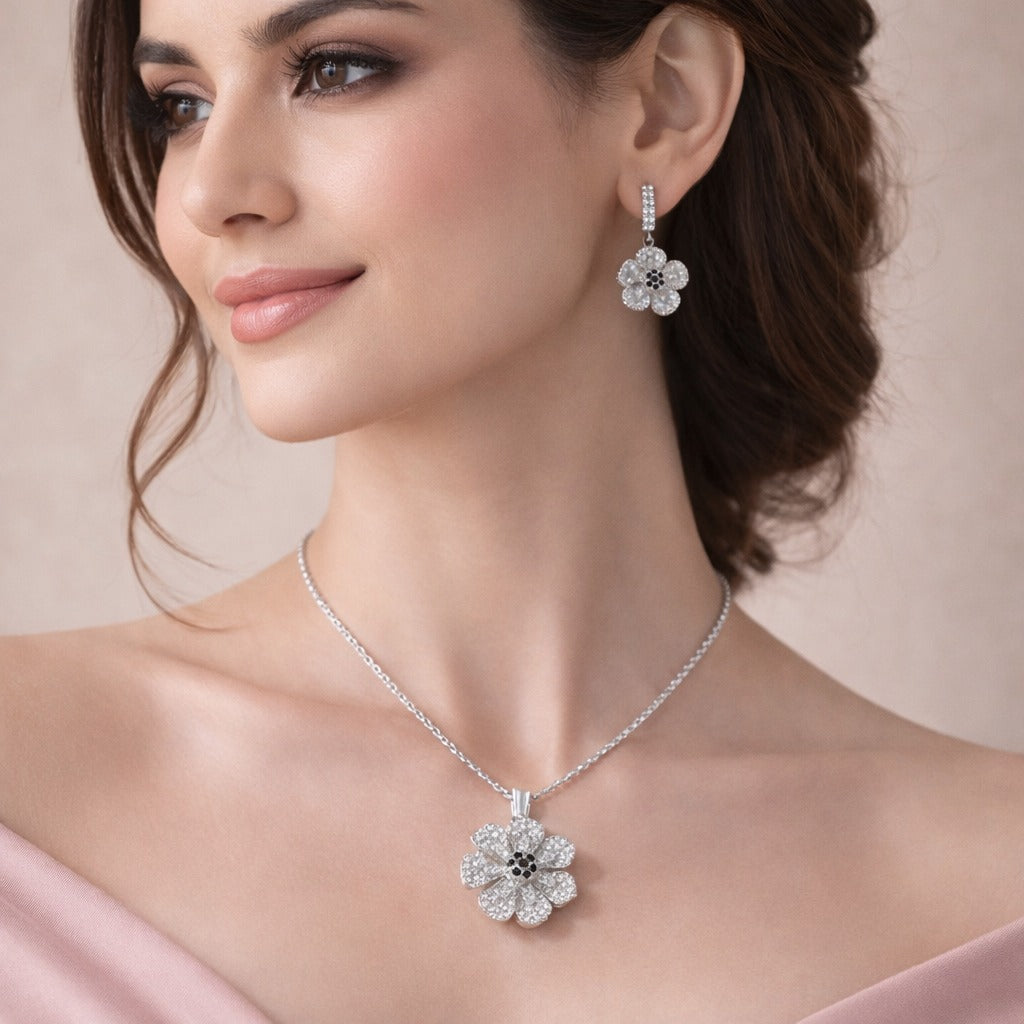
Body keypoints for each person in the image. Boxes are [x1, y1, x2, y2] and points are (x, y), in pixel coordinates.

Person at [1, 0, 1021, 1021]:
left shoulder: (991, 887)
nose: (212, 193)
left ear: (665, 103)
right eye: (180, 107)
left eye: (335, 69)